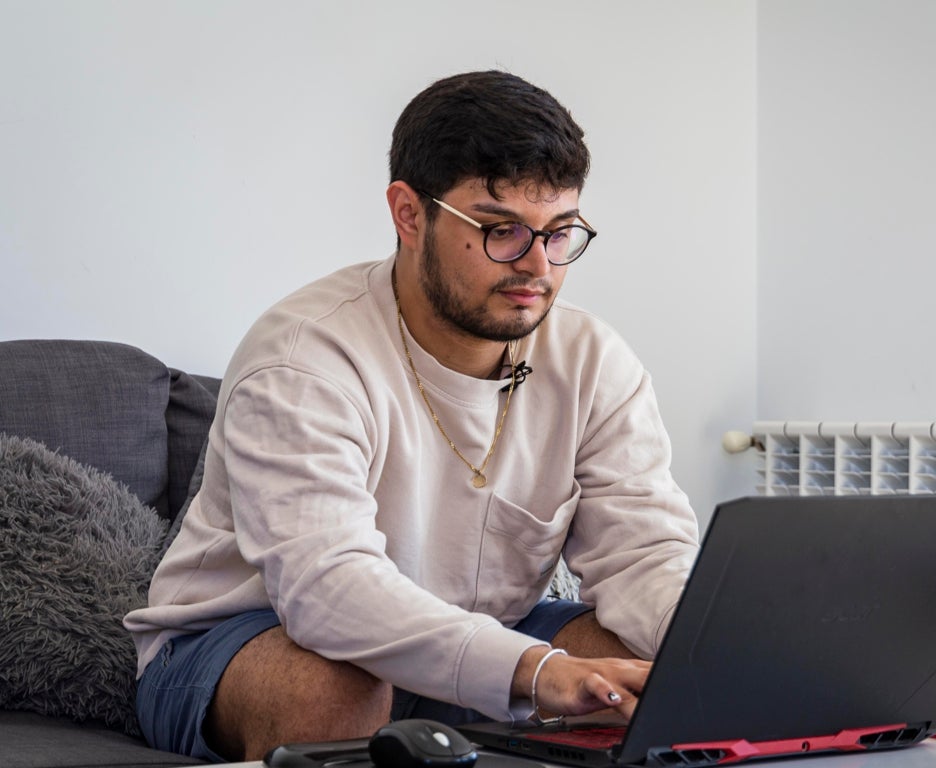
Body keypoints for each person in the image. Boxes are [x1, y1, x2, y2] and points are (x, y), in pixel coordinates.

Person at [123, 70, 700, 763]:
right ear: (408, 213)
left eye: (559, 233)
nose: (538, 267)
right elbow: (328, 591)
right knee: (335, 691)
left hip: (489, 631)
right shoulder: (304, 356)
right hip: (249, 638)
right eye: (500, 231)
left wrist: (736, 651)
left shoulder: (593, 359)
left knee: (649, 666)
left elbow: (645, 555)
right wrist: (536, 671)